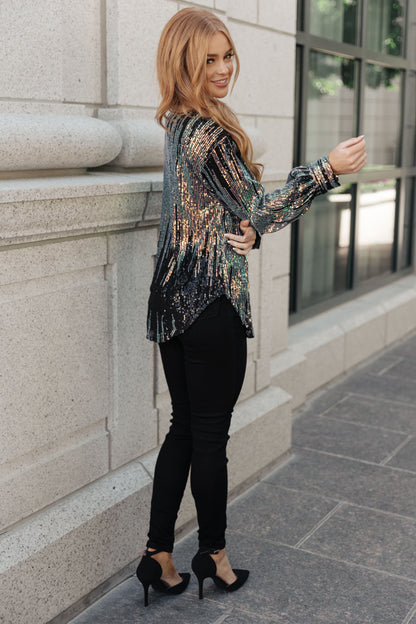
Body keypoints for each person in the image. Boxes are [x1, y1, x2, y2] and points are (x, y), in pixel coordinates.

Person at [136, 6, 366, 607]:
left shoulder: (179, 125)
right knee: (209, 438)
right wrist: (328, 170)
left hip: (172, 303)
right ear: (183, 64)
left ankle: (158, 555)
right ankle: (213, 555)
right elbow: (259, 206)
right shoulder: (210, 133)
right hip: (210, 304)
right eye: (208, 60)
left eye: (227, 56)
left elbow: (221, 213)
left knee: (184, 429)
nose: (222, 69)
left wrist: (250, 230)